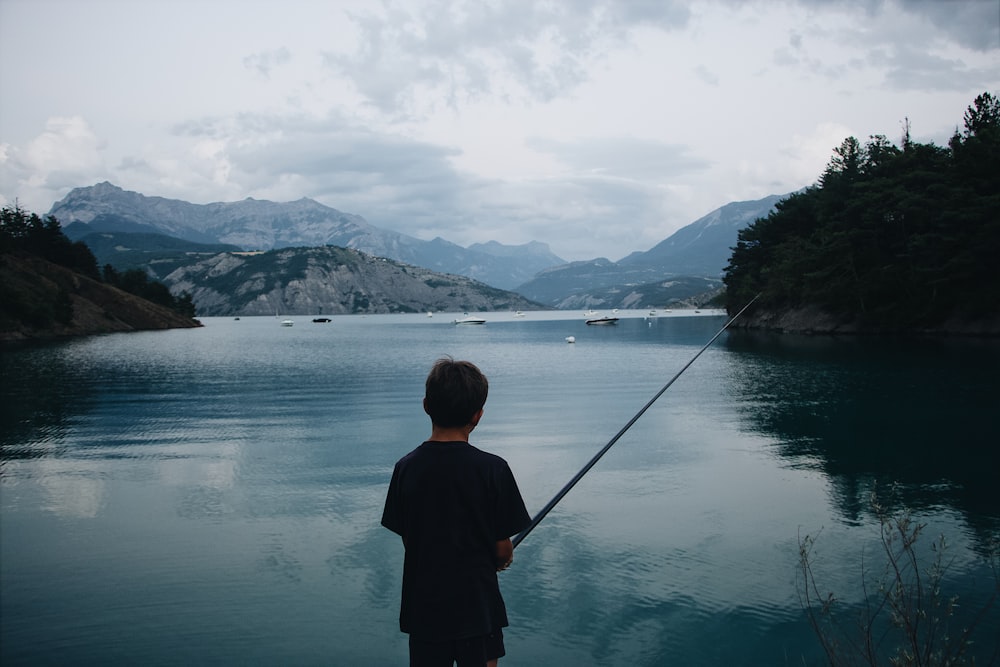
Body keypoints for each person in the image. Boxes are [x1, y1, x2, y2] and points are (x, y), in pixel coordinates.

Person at [381, 357, 531, 667]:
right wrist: (502, 558)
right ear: (478, 415)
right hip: (478, 609)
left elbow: (411, 539)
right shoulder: (494, 469)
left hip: (424, 611)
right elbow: (502, 548)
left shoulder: (405, 469)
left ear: (426, 405)